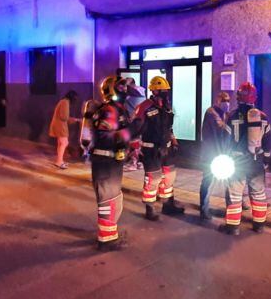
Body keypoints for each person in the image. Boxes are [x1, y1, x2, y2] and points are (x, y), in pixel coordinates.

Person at [86, 75, 136, 249]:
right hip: (105, 161)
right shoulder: (109, 110)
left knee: (113, 199)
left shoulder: (119, 109)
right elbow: (105, 137)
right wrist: (130, 132)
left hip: (112, 161)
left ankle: (109, 235)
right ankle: (105, 241)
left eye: (125, 87)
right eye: (121, 87)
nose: (125, 89)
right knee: (108, 200)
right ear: (112, 90)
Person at [221, 81, 271, 236]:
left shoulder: (232, 116)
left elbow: (225, 141)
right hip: (256, 162)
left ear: (238, 97)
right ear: (254, 98)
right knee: (258, 194)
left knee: (235, 194)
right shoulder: (263, 117)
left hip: (237, 162)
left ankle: (233, 227)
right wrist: (266, 160)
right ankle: (259, 225)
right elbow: (267, 142)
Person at [133, 75, 184, 221]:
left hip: (166, 149)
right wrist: (136, 149)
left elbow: (169, 127)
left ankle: (168, 205)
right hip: (151, 150)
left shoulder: (166, 107)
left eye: (166, 90)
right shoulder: (144, 106)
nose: (165, 93)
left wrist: (174, 142)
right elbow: (135, 128)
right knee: (153, 179)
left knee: (169, 176)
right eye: (162, 90)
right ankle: (149, 208)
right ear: (154, 91)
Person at [199, 91, 232, 223]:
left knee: (230, 180)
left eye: (229, 100)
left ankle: (233, 205)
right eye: (225, 100)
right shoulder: (212, 113)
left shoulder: (224, 114)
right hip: (211, 154)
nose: (227, 103)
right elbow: (222, 129)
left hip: (222, 154)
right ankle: (204, 209)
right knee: (208, 181)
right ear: (218, 100)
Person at [49, 90, 80, 169]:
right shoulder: (65, 102)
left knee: (61, 143)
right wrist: (74, 120)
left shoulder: (63, 101)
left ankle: (59, 161)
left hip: (59, 125)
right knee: (64, 143)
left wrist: (74, 119)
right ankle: (59, 162)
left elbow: (64, 117)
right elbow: (64, 117)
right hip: (60, 126)